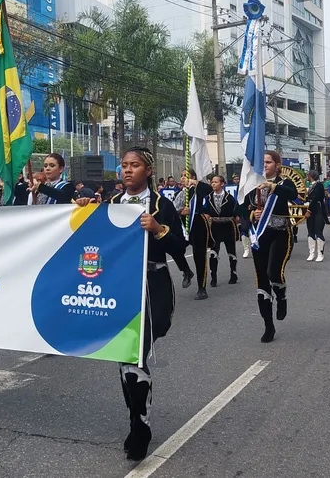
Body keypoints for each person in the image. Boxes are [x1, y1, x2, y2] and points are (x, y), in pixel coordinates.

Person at [85, 146, 183, 461]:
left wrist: (158, 229)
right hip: (118, 288)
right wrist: (83, 211)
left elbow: (180, 246)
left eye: (135, 165)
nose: (128, 170)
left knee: (134, 354)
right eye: (124, 165)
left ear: (148, 171)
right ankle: (137, 422)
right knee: (126, 357)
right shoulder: (111, 204)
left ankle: (141, 426)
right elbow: (92, 241)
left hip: (153, 287)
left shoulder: (161, 205)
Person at [246, 151, 298, 343]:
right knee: (262, 281)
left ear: (277, 165)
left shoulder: (284, 184)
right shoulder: (252, 185)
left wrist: (273, 186)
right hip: (259, 237)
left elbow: (293, 196)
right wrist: (252, 215)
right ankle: (268, 326)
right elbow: (241, 209)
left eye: (268, 162)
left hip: (280, 234)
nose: (265, 165)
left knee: (273, 272)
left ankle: (281, 296)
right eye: (263, 162)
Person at [174, 170, 212, 299]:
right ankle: (186, 271)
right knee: (175, 248)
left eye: (186, 176)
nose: (183, 178)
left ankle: (202, 287)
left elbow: (209, 190)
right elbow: (173, 210)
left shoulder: (199, 190)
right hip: (184, 227)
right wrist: (181, 212)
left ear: (193, 178)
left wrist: (195, 183)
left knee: (199, 255)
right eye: (182, 176)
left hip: (198, 224)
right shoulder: (180, 194)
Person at [205, 175, 238, 286]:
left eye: (216, 182)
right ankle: (213, 278)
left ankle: (233, 274)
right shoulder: (208, 197)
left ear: (222, 184)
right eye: (212, 182)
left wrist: (236, 218)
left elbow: (236, 213)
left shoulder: (230, 198)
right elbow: (206, 212)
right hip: (215, 227)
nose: (213, 184)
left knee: (231, 252)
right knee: (213, 253)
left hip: (228, 226)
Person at [303, 170, 326, 261]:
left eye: (307, 175)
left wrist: (309, 210)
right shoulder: (310, 185)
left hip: (318, 210)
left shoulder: (319, 185)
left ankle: (320, 254)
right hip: (311, 210)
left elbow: (316, 198)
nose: (306, 177)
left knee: (318, 231)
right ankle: (311, 253)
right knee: (310, 231)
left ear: (311, 176)